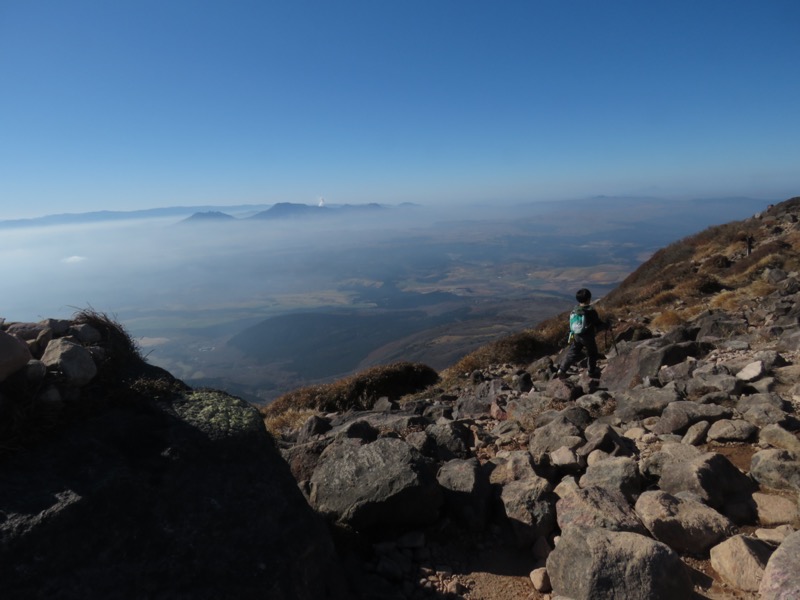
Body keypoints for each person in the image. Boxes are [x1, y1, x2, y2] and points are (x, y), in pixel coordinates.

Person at [556, 288, 610, 379]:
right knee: (592, 353)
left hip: (576, 335)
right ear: (589, 299)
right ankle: (591, 371)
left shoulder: (575, 310)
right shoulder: (590, 311)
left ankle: (562, 369)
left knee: (572, 352)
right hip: (587, 336)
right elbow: (597, 323)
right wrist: (606, 325)